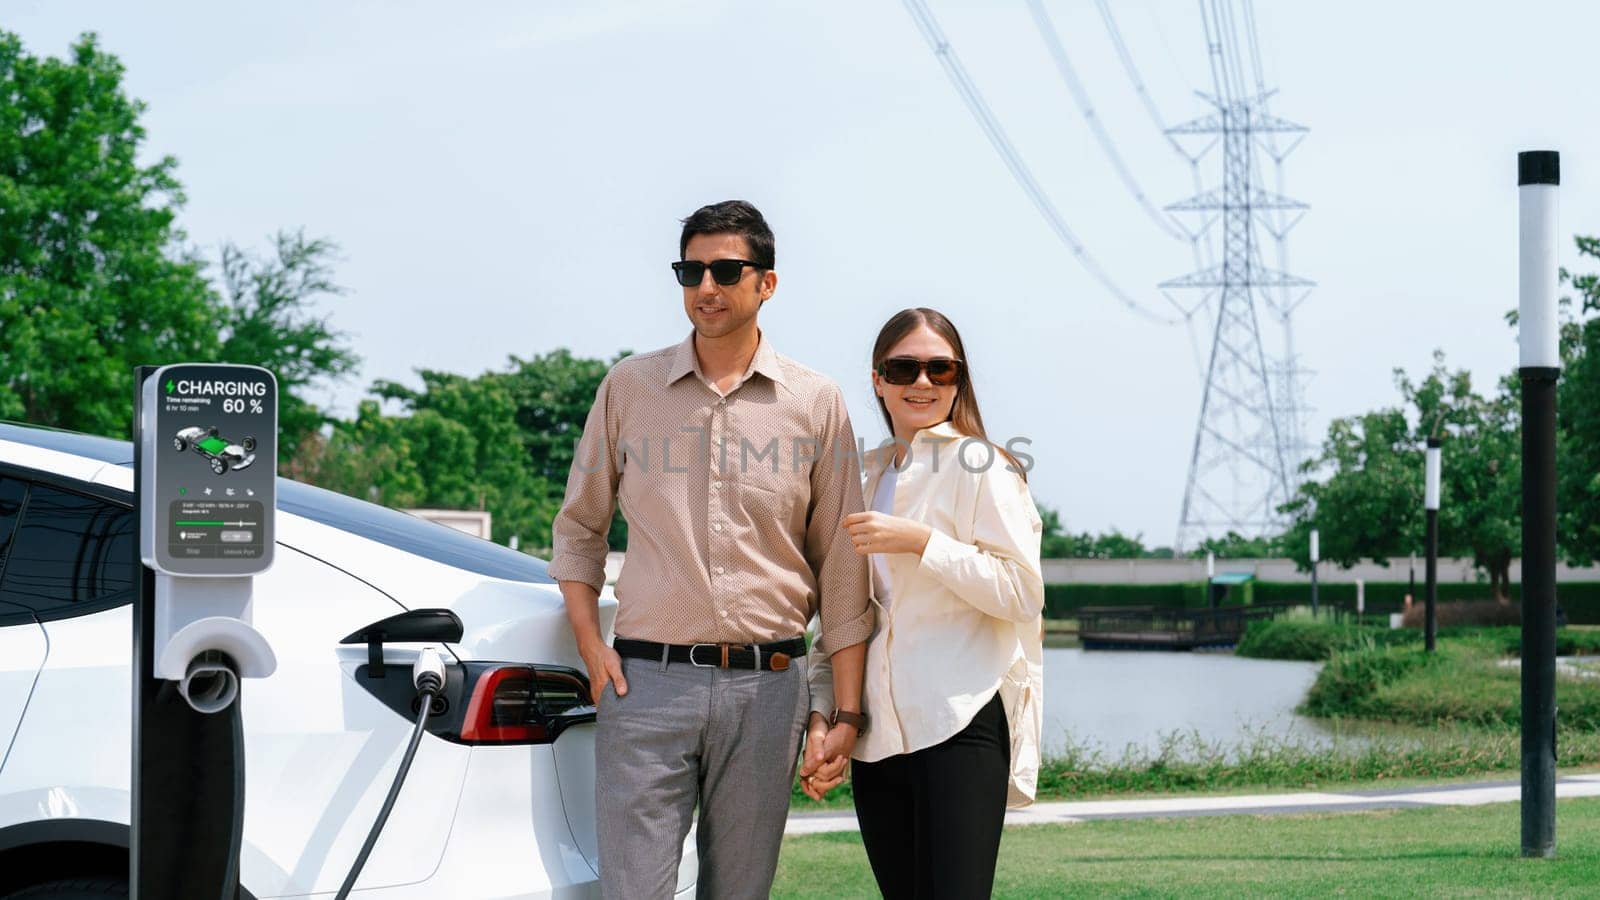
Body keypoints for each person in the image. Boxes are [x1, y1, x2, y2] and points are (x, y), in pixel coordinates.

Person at [548, 200, 874, 899]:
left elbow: (844, 567)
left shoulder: (817, 404)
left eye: (727, 270)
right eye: (690, 270)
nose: (706, 286)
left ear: (767, 283)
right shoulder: (628, 390)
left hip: (768, 690)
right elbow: (579, 529)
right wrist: (589, 642)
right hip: (645, 686)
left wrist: (845, 714)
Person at [805, 307, 1045, 900]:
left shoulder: (984, 468)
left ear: (958, 380)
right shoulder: (863, 476)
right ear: (878, 379)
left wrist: (924, 544)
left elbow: (1022, 591)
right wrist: (827, 713)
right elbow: (842, 615)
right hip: (877, 740)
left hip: (959, 722)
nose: (923, 382)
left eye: (940, 369)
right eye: (905, 367)